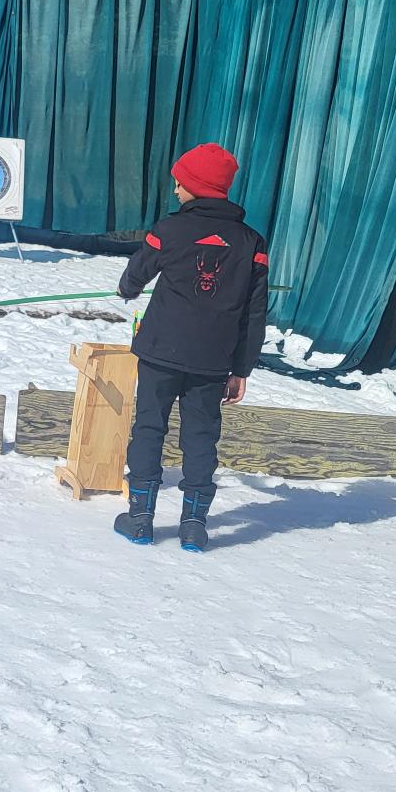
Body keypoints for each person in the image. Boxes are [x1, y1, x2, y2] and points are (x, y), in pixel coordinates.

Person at [114, 142, 269, 552]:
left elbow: (137, 272)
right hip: (213, 360)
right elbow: (255, 313)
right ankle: (194, 526)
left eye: (180, 183)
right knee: (201, 437)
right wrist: (242, 369)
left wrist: (126, 289)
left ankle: (140, 519)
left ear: (196, 186)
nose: (176, 190)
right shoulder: (252, 242)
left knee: (149, 427)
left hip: (161, 351)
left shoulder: (170, 229)